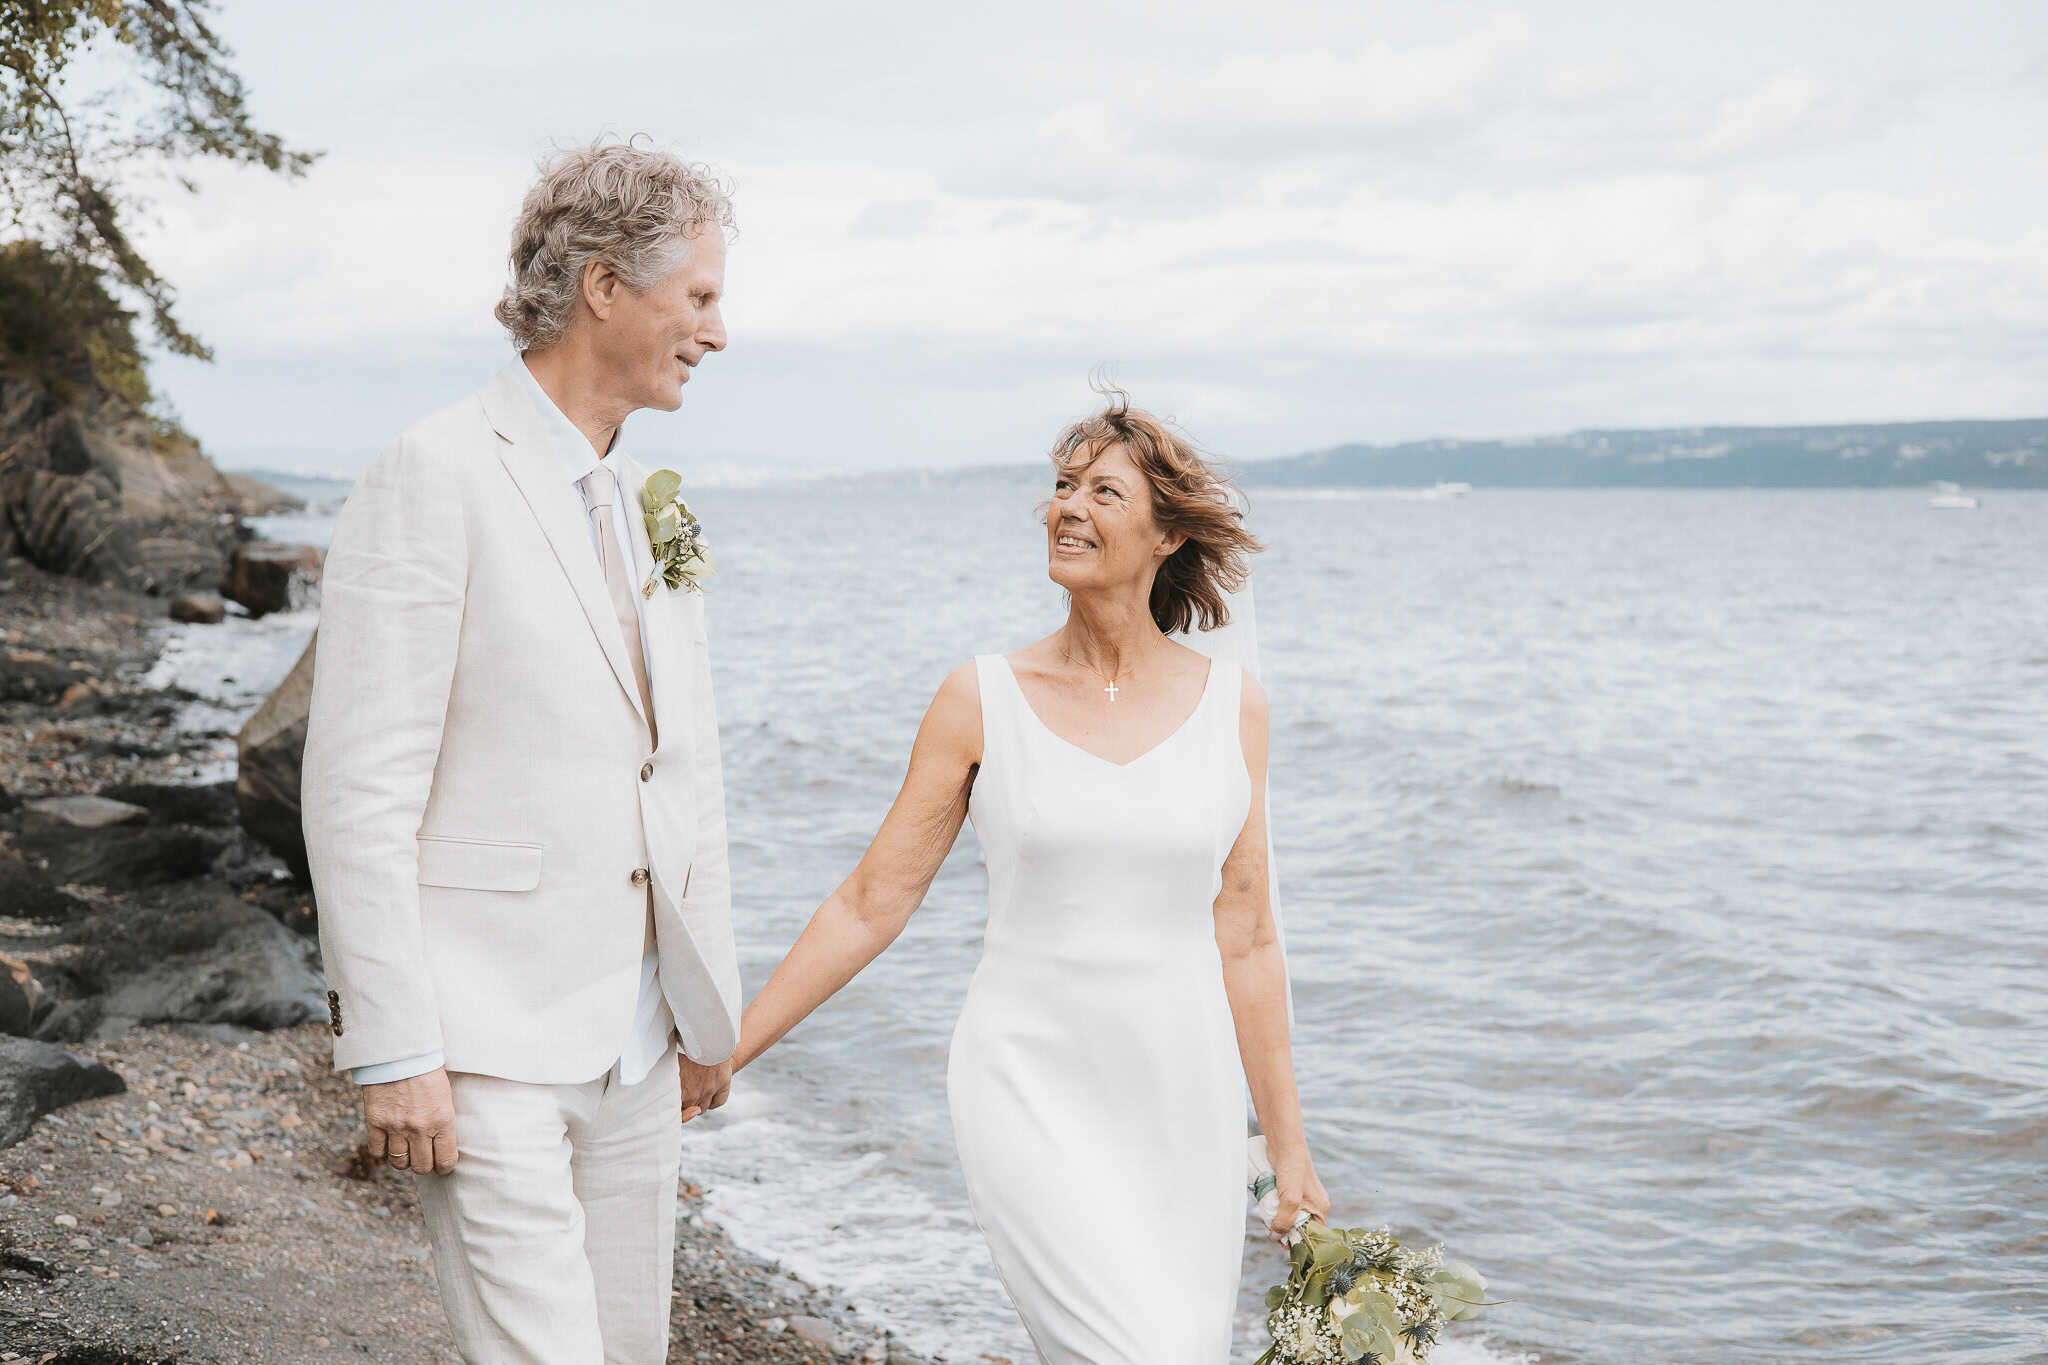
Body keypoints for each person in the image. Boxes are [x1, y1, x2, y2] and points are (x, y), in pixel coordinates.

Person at [733, 390, 1328, 1362]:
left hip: (1183, 1101)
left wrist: (1288, 1149)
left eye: (1104, 491)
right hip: (1028, 1084)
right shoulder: (981, 699)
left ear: (1168, 532)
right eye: (1062, 485)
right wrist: (730, 1053)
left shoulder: (1235, 708)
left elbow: (1249, 937)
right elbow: (872, 901)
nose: (1068, 507)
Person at [300, 141, 739, 1363]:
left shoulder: (643, 501)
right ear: (604, 287)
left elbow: (683, 776)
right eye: (699, 296)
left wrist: (705, 1012)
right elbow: (357, 789)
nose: (717, 331)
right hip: (483, 1039)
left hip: (639, 1043)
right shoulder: (432, 473)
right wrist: (393, 1049)